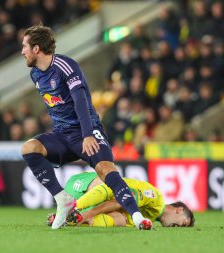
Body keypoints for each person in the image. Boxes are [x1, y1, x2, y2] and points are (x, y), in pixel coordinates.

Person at [20, 24, 152, 230]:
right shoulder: (35, 74)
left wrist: (88, 134)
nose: (22, 52)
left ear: (36, 48)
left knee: (106, 170)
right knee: (29, 148)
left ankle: (137, 217)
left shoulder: (66, 66)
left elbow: (81, 101)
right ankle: (62, 199)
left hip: (85, 132)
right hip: (62, 136)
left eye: (25, 46)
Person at [47, 172, 195, 228]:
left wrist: (87, 216)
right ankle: (71, 208)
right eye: (184, 223)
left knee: (120, 220)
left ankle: (67, 220)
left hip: (87, 200)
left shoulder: (149, 218)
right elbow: (121, 199)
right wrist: (88, 213)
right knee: (111, 187)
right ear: (179, 209)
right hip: (82, 186)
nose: (181, 227)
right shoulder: (155, 198)